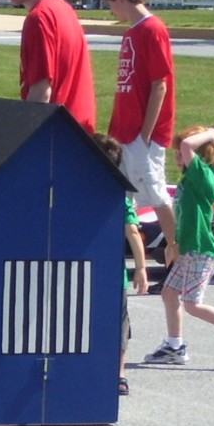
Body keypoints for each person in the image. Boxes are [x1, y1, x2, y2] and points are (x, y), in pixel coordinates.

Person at [144, 126, 214, 367]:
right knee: (169, 293)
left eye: (180, 152)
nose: (177, 155)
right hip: (187, 250)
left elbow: (188, 147)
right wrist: (173, 244)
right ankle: (175, 346)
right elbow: (185, 217)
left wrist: (211, 133)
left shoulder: (201, 172)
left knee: (192, 304)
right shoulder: (189, 177)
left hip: (201, 251)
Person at [101, 0, 177, 261]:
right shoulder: (131, 32)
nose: (111, 10)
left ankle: (176, 251)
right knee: (123, 196)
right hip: (124, 131)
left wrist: (146, 133)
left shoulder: (152, 29)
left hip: (143, 134)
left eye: (110, 3)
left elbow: (160, 84)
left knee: (156, 193)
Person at [0, 0, 96, 132]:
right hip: (79, 132)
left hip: (55, 134)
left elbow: (41, 92)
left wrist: (23, 135)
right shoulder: (64, 8)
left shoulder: (38, 18)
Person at [92, 132, 149, 395]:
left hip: (85, 271)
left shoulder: (80, 193)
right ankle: (119, 375)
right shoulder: (119, 197)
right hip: (114, 275)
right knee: (118, 325)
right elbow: (133, 231)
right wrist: (141, 267)